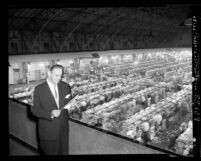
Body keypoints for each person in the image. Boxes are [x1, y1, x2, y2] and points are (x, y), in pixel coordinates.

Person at [31, 64, 73, 155]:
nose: (59, 78)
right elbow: (35, 110)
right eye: (56, 75)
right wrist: (50, 113)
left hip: (63, 129)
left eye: (61, 76)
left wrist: (72, 105)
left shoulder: (65, 86)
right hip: (48, 131)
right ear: (49, 73)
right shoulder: (39, 89)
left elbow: (68, 103)